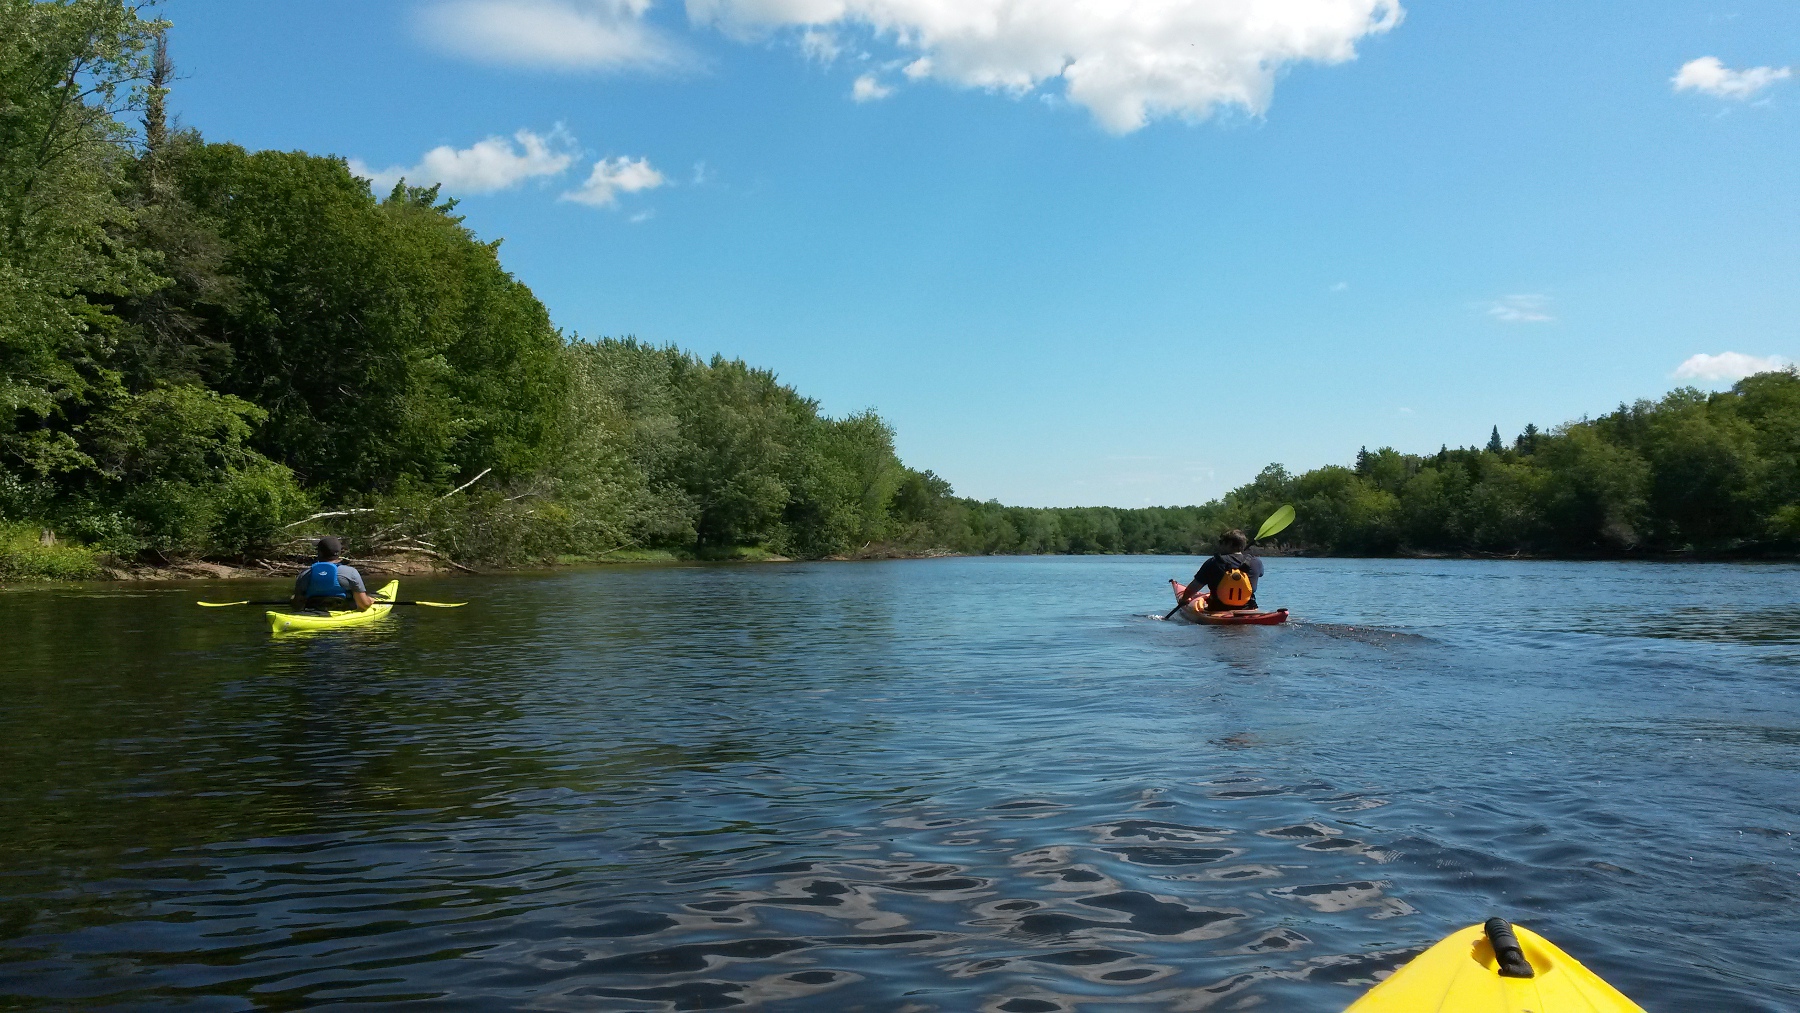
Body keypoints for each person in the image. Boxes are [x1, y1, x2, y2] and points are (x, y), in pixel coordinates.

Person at [1179, 529, 1264, 612]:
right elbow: (1260, 574)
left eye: (1221, 542)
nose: (1219, 546)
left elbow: (1193, 587)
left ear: (1229, 544)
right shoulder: (1256, 562)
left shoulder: (1213, 562)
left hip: (1218, 609)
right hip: (1249, 609)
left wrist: (1184, 599)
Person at [291, 537, 375, 612]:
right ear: (339, 553)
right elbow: (364, 605)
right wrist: (369, 601)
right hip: (343, 614)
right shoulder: (350, 573)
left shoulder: (305, 574)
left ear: (319, 553)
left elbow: (296, 606)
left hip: (312, 614)